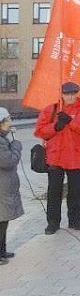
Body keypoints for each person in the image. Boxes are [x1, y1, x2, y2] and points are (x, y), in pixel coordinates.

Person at [34, 82, 80, 235]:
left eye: (73, 93)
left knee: (75, 191)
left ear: (77, 94)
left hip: (76, 156)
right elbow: (40, 132)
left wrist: (71, 122)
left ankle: (74, 220)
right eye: (67, 94)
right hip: (56, 157)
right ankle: (53, 223)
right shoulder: (51, 109)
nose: (70, 96)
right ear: (61, 94)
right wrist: (55, 126)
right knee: (54, 191)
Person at [0, 108, 23, 265]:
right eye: (8, 120)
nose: (10, 122)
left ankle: (2, 250)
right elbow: (7, 161)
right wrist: (16, 145)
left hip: (5, 186)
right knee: (1, 220)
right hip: (1, 187)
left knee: (4, 219)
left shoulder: (3, 139)